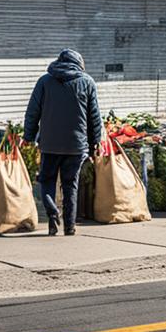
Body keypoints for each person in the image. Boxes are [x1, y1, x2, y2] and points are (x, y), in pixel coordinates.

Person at [24, 49, 102, 236]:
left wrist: (29, 136)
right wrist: (95, 143)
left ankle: (52, 214)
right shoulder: (87, 82)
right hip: (76, 145)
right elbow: (94, 117)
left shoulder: (44, 81)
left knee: (46, 181)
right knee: (70, 185)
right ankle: (69, 226)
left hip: (49, 144)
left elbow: (33, 111)